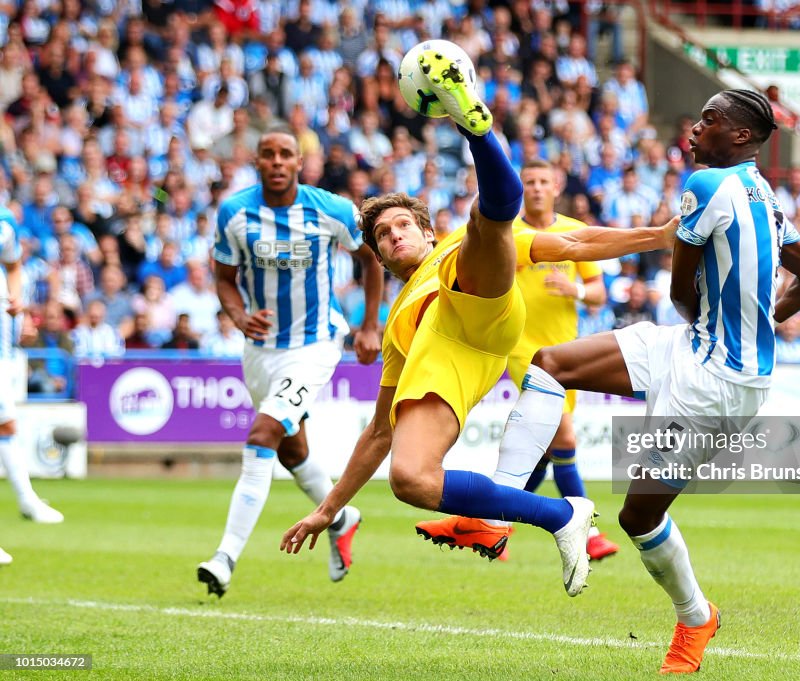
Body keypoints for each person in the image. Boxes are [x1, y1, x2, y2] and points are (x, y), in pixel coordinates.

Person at [280, 51, 677, 597]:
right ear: (377, 256)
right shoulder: (398, 325)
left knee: (486, 224)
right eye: (382, 236)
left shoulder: (444, 252)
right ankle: (561, 515)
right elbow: (377, 433)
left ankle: (475, 126)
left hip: (477, 301)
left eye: (403, 225)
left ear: (423, 229)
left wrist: (654, 237)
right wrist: (327, 511)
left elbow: (574, 241)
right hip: (450, 361)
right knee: (409, 479)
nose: (395, 236)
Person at [483, 90, 800, 672]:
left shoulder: (706, 185)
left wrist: (735, 328)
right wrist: (755, 323)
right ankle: (490, 516)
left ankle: (697, 617)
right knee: (551, 363)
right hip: (692, 348)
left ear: (741, 136)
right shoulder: (762, 194)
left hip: (716, 382)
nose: (696, 127)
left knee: (637, 518)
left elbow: (678, 292)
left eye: (711, 119)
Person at [196, 127, 384, 598]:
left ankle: (224, 557)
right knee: (291, 449)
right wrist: (238, 314)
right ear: (257, 162)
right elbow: (223, 276)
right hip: (260, 351)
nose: (277, 161)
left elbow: (371, 259)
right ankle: (341, 518)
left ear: (300, 162)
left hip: (315, 344)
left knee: (262, 434)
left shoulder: (331, 209)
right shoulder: (235, 213)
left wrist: (368, 327)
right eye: (268, 154)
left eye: (286, 154)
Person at [413, 159, 620, 563]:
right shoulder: (508, 233)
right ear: (521, 188)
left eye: (544, 181)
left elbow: (598, 293)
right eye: (530, 182)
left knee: (539, 455)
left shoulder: (572, 232)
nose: (538, 188)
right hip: (524, 351)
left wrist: (573, 290)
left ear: (557, 186)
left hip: (567, 352)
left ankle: (487, 526)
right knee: (564, 439)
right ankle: (589, 531)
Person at [1, 203, 65, 567]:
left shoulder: (5, 222)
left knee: (6, 425)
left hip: (2, 348)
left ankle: (27, 501)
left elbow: (12, 266)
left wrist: (16, 303)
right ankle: (28, 501)